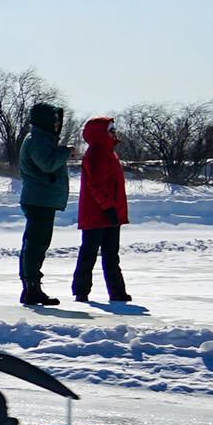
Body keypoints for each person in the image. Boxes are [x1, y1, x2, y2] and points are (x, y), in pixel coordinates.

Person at [72, 116, 132, 303]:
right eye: (110, 130)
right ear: (100, 133)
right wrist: (108, 208)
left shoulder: (109, 152)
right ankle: (81, 291)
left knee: (111, 254)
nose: (114, 133)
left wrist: (113, 210)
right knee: (90, 252)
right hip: (97, 214)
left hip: (110, 212)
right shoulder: (97, 153)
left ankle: (117, 292)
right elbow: (96, 185)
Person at [16, 102, 70, 306]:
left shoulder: (42, 139)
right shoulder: (38, 140)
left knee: (36, 244)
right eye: (54, 120)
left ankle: (31, 287)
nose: (57, 124)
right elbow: (47, 164)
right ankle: (31, 288)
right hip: (38, 200)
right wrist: (65, 152)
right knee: (36, 244)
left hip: (41, 199)